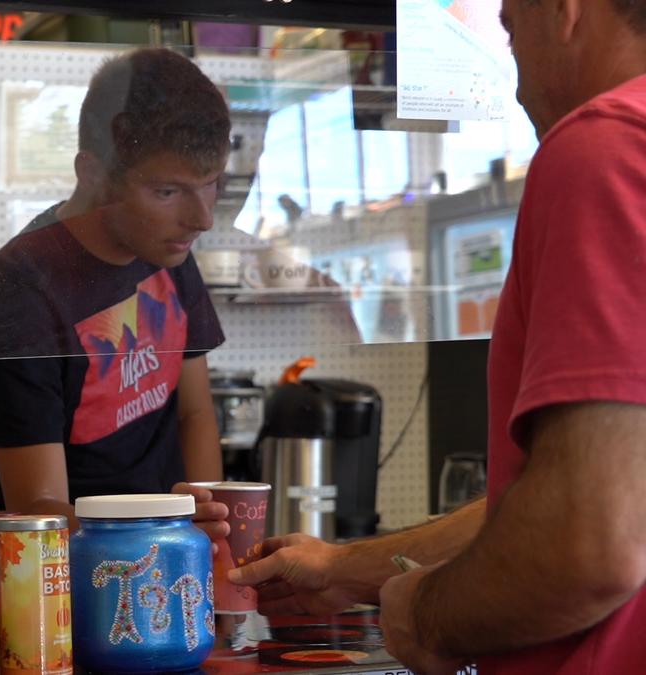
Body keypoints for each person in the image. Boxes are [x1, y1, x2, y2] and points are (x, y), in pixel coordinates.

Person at [231, 1, 646, 673]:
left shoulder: (607, 145)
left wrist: (424, 614)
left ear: (566, 10)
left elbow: (590, 541)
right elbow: (578, 492)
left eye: (511, 29)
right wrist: (345, 568)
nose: (514, 77)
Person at [0, 48, 231, 534]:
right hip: (67, 575)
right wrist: (173, 534)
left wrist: (212, 540)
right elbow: (40, 517)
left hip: (170, 556)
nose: (201, 218)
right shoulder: (18, 294)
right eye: (167, 192)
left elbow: (195, 413)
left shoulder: (165, 247)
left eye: (210, 185)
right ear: (93, 174)